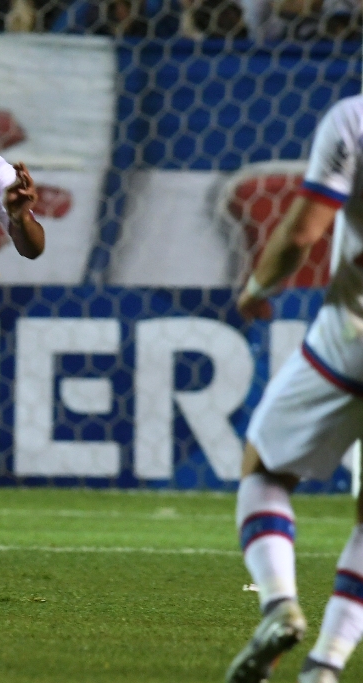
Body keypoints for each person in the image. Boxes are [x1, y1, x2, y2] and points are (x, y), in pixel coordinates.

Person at [227, 94, 363, 683]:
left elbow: (302, 232)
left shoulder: (352, 118)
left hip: (351, 338)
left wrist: (257, 287)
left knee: (264, 468)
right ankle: (325, 667)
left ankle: (279, 602)